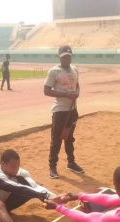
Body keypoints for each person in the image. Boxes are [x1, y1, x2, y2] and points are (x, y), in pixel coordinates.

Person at [44, 45, 84, 179]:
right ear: (59, 57)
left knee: (69, 138)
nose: (66, 59)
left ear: (71, 56)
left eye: (68, 56)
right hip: (60, 111)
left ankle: (71, 163)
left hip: (72, 110)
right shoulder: (54, 71)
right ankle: (52, 167)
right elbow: (46, 90)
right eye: (64, 57)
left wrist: (77, 93)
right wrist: (65, 95)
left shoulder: (75, 69)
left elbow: (77, 85)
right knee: (56, 140)